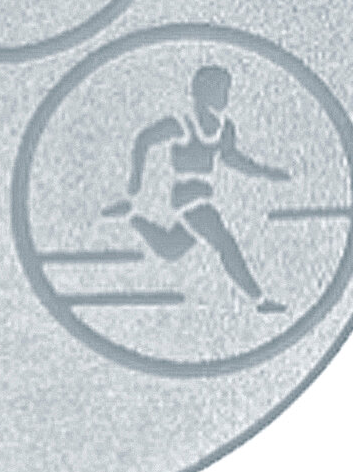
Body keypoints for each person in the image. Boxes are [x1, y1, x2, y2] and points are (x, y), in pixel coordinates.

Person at [106, 66, 290, 312]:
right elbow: (144, 139)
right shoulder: (183, 124)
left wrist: (267, 173)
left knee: (171, 248)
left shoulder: (224, 128)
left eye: (227, 89)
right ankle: (260, 301)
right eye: (220, 89)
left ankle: (130, 215)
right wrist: (135, 180)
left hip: (202, 199)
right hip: (191, 203)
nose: (225, 96)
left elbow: (233, 159)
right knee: (226, 245)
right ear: (201, 92)